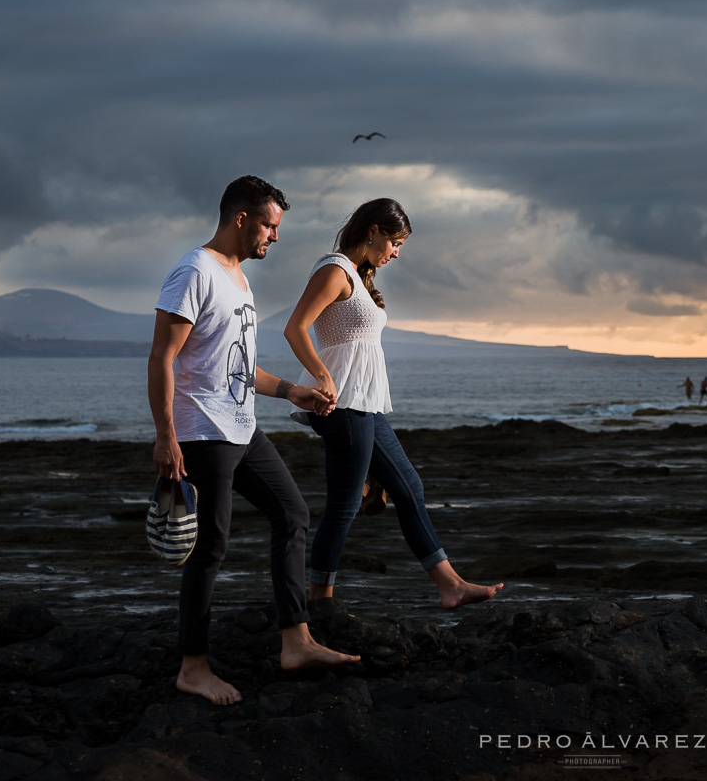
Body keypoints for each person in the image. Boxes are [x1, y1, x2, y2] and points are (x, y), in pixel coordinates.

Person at [148, 175, 360, 706]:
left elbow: (239, 368)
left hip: (242, 427)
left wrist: (293, 391)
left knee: (293, 513)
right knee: (210, 547)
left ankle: (297, 640)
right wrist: (166, 437)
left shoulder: (239, 278)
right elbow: (161, 359)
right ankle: (192, 667)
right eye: (270, 224)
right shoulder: (193, 272)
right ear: (241, 218)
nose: (275, 236)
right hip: (202, 432)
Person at [284, 197, 503, 609]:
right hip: (343, 403)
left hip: (364, 404)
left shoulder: (355, 275)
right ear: (374, 231)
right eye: (395, 243)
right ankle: (319, 600)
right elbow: (295, 328)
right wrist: (323, 374)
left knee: (407, 486)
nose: (396, 253)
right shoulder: (334, 269)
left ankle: (450, 585)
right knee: (345, 505)